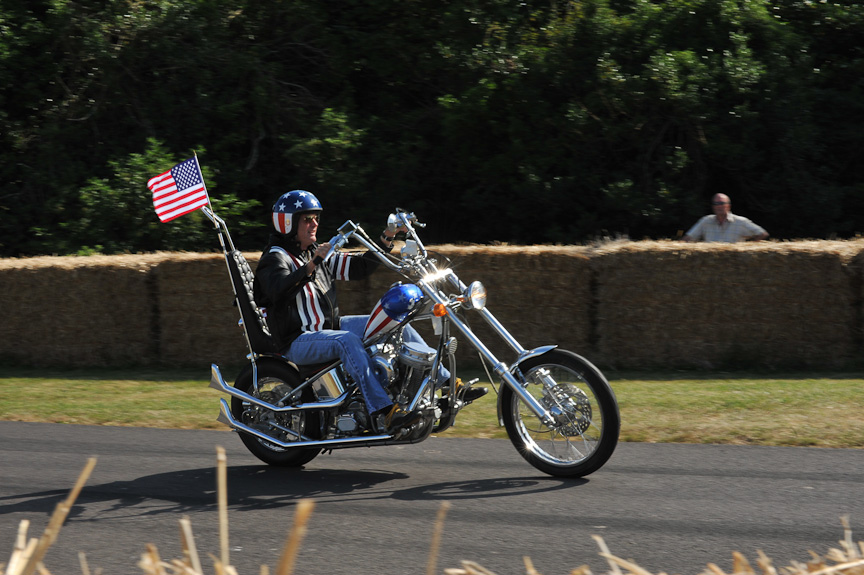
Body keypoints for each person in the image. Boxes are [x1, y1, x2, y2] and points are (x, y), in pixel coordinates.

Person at [253, 190, 485, 434]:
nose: (314, 224)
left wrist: (387, 237)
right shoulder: (276, 257)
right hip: (297, 339)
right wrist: (313, 265)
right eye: (307, 219)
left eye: (316, 218)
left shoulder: (315, 252)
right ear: (287, 223)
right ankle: (384, 412)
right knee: (347, 341)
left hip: (329, 327)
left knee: (396, 323)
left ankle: (449, 384)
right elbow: (278, 289)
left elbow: (360, 267)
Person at [683, 193, 769, 243]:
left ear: (728, 205)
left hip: (735, 265)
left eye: (722, 203)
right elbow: (689, 238)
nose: (719, 206)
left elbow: (762, 234)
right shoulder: (706, 221)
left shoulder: (740, 222)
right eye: (716, 204)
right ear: (713, 207)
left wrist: (749, 248)